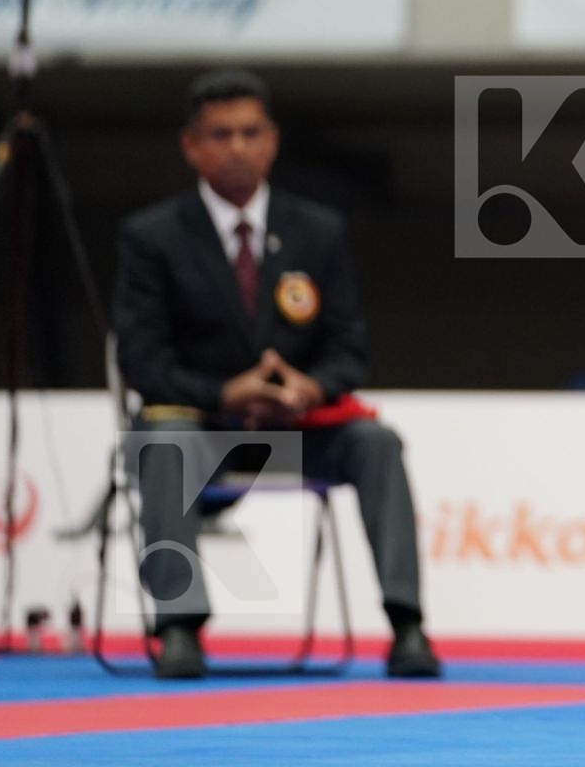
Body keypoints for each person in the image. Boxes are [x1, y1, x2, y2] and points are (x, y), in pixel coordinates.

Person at [113, 70, 441, 681]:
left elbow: (350, 349)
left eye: (249, 133)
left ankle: (407, 626)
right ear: (191, 145)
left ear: (272, 141)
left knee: (376, 443)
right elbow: (142, 360)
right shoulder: (152, 238)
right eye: (220, 134)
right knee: (162, 442)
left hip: (295, 434)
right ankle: (180, 627)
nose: (236, 147)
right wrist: (223, 393)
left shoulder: (318, 231)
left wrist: (307, 389)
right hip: (202, 434)